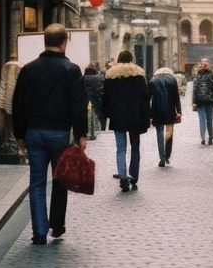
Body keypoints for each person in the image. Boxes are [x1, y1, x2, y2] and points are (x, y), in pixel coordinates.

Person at [12, 24, 88, 245]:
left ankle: (39, 232)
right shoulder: (71, 70)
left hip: (34, 133)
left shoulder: (29, 70)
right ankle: (57, 226)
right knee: (59, 180)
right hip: (59, 134)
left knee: (37, 183)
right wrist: (81, 134)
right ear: (64, 42)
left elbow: (19, 104)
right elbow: (78, 105)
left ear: (44, 42)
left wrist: (20, 135)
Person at [99, 50, 149, 192]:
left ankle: (123, 176)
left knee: (121, 148)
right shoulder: (138, 75)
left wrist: (106, 115)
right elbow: (145, 97)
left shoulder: (111, 75)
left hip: (118, 116)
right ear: (131, 60)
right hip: (135, 116)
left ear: (119, 60)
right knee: (135, 147)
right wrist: (146, 116)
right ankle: (134, 176)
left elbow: (105, 98)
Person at [149, 66, 182, 167]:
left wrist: (149, 114)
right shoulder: (172, 80)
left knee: (159, 133)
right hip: (170, 110)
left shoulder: (153, 81)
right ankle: (167, 155)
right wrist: (179, 110)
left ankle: (161, 157)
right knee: (169, 132)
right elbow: (176, 96)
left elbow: (148, 98)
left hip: (156, 110)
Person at [192, 59, 213, 146]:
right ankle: (210, 137)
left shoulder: (197, 77)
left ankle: (203, 138)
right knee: (209, 120)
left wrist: (194, 102)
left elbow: (195, 90)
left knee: (202, 120)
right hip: (209, 102)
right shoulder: (212, 75)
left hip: (200, 102)